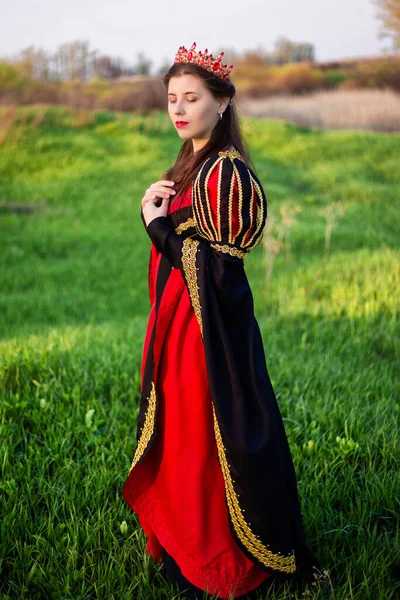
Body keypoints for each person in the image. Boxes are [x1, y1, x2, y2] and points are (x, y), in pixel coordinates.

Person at [123, 42, 325, 600]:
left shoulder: (227, 175)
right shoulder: (192, 161)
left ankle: (221, 557)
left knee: (207, 440)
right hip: (180, 324)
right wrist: (156, 210)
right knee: (186, 436)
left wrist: (156, 227)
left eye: (193, 98)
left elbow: (222, 277)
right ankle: (186, 539)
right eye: (172, 99)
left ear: (223, 103)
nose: (180, 109)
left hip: (204, 331)